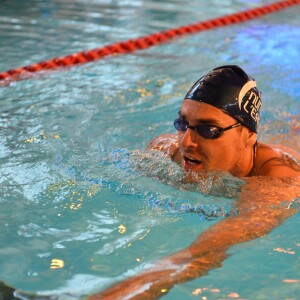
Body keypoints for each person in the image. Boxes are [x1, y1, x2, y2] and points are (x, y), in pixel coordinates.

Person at [88, 65, 300, 300]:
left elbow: (204, 252)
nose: (187, 141)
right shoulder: (165, 152)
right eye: (182, 123)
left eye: (208, 130)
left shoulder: (278, 176)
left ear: (249, 135)